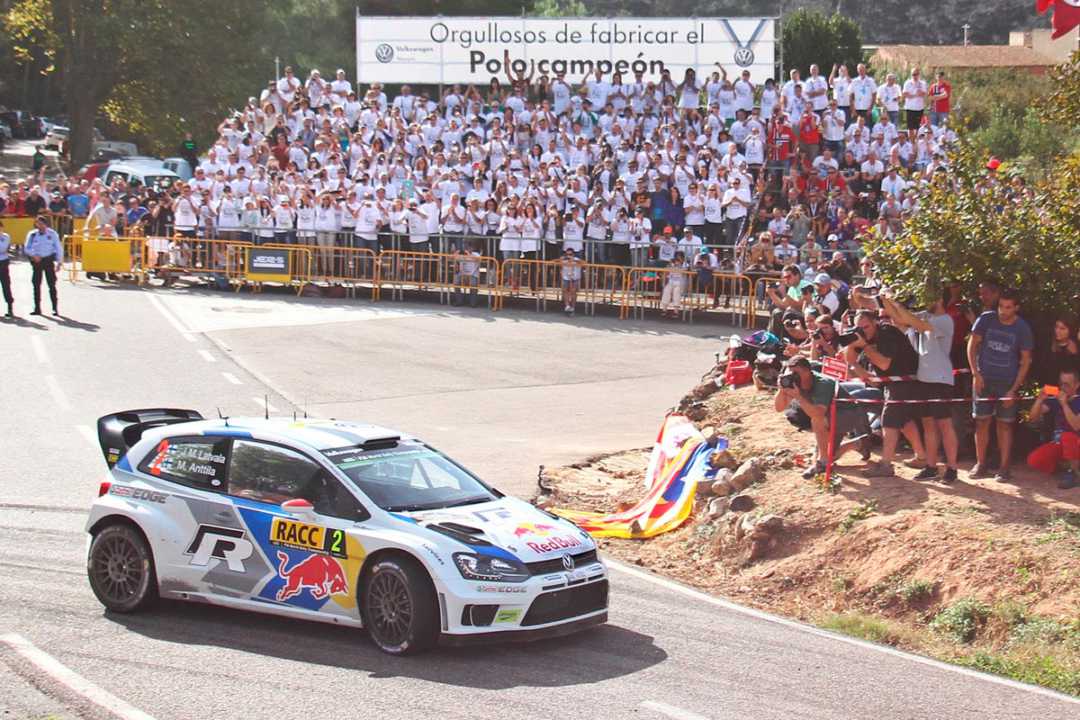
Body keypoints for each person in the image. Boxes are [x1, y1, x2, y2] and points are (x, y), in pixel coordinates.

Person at [882, 291, 959, 483]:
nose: (925, 302)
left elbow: (913, 321)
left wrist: (894, 301)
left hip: (939, 378)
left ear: (940, 298)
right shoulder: (925, 315)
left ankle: (952, 468)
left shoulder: (944, 320)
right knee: (928, 425)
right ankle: (931, 466)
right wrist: (885, 300)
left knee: (945, 424)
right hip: (923, 378)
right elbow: (899, 319)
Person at [845, 309, 928, 478]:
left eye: (865, 327)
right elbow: (850, 360)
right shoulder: (867, 337)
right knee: (904, 421)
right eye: (859, 328)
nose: (863, 331)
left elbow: (883, 364)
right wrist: (851, 343)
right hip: (893, 383)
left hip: (905, 381)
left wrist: (864, 346)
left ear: (875, 322)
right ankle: (921, 457)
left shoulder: (887, 333)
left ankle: (886, 465)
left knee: (889, 420)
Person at [967, 288, 1033, 482]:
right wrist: (975, 374)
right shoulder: (986, 319)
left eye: (1008, 307)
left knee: (1005, 425)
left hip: (1007, 381)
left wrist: (1014, 389)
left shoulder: (1022, 328)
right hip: (984, 378)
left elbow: (1026, 360)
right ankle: (981, 464)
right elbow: (972, 345)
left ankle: (1004, 467)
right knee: (981, 421)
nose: (1003, 311)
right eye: (1001, 306)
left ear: (1016, 308)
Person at [774, 356, 872, 478]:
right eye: (790, 372)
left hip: (849, 415)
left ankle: (823, 460)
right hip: (831, 418)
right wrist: (782, 390)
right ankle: (858, 444)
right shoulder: (795, 383)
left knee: (817, 421)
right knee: (829, 456)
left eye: (796, 373)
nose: (793, 376)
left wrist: (799, 397)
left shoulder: (822, 383)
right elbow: (779, 408)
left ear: (807, 371)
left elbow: (818, 414)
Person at [1026, 368, 1080, 490]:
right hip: (1060, 443)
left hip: (1075, 441)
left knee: (1068, 436)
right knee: (1034, 460)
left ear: (1076, 385)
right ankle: (1065, 467)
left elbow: (1076, 425)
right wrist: (1039, 400)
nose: (1062, 387)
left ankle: (1074, 473)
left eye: (1066, 384)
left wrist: (1065, 404)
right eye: (1061, 384)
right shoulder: (1055, 400)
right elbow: (1033, 418)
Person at [24, 214, 63, 316]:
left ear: (46, 224)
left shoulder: (52, 234)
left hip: (48, 260)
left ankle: (54, 308)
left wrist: (59, 262)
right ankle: (37, 308)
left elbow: (58, 247)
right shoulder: (32, 234)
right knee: (36, 284)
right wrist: (34, 255)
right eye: (38, 224)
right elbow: (26, 248)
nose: (40, 226)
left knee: (51, 284)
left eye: (42, 224)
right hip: (37, 261)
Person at [560, 247, 582, 315]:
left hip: (575, 278)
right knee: (565, 291)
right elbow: (553, 261)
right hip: (566, 278)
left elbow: (584, 263)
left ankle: (573, 307)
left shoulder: (577, 259)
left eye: (570, 254)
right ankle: (567, 306)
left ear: (573, 254)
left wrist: (574, 261)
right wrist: (561, 259)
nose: (568, 256)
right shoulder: (564, 260)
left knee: (573, 292)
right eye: (567, 255)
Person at [0, 219, 12, 317]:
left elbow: (3, 248)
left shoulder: (5, 237)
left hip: (3, 262)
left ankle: (9, 306)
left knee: (5, 284)